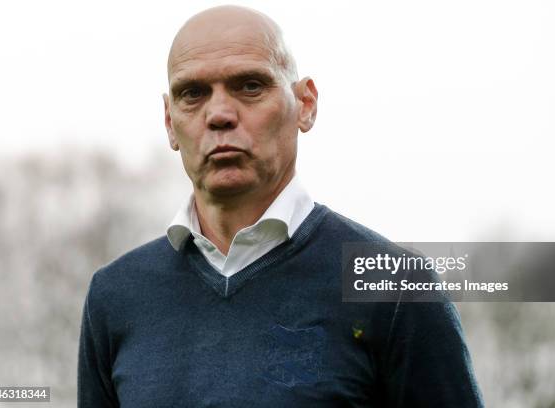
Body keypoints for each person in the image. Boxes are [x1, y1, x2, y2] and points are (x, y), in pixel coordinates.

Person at [77, 5, 484, 407]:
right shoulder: (115, 296)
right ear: (170, 122)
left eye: (250, 86)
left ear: (305, 104)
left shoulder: (395, 290)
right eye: (193, 94)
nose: (219, 114)